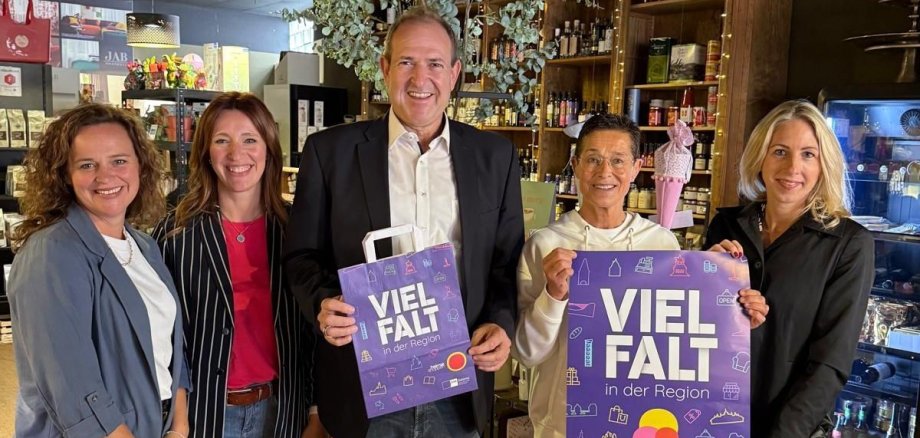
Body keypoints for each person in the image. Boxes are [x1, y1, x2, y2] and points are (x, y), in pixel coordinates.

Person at [283, 6, 524, 438]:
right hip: (363, 389)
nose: (420, 79)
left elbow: (505, 264)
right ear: (385, 68)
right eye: (407, 62)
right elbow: (301, 255)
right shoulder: (329, 153)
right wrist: (323, 302)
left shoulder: (495, 158)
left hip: (458, 385)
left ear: (454, 74)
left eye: (434, 64)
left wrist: (501, 323)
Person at [512, 113, 769, 437]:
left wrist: (721, 288)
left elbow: (679, 339)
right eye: (593, 159)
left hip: (643, 421)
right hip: (562, 427)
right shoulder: (545, 245)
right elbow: (525, 352)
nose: (605, 172)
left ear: (636, 167)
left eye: (618, 160)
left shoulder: (660, 243)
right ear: (575, 166)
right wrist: (553, 294)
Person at [8, 103, 190, 437]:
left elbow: (169, 348)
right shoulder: (52, 253)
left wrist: (179, 425)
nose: (105, 177)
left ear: (140, 166)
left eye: (119, 161)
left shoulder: (145, 246)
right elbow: (70, 386)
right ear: (64, 174)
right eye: (87, 165)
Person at [152, 92, 323, 438]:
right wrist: (178, 423)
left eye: (249, 140)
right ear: (205, 152)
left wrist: (317, 412)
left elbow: (315, 331)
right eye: (221, 141)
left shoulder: (298, 230)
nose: (236, 155)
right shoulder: (175, 234)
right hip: (205, 415)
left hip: (283, 410)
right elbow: (166, 338)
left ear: (268, 149)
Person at [704, 100, 874, 437]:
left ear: (824, 164)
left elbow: (830, 364)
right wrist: (700, 283)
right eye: (780, 151)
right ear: (760, 159)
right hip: (711, 417)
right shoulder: (726, 226)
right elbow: (695, 331)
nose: (793, 167)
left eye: (808, 154)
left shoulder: (848, 244)